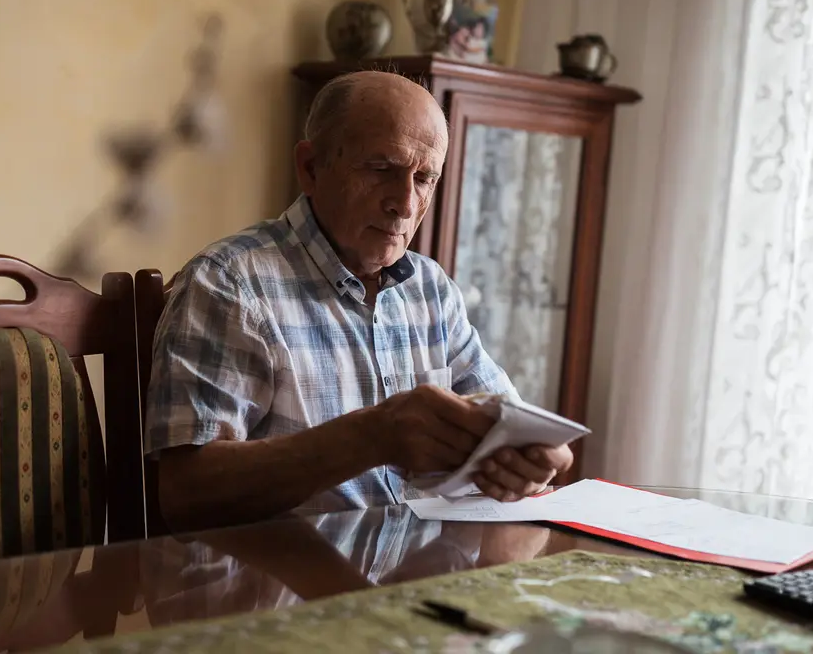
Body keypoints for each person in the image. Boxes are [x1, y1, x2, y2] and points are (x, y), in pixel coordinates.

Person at [146, 71, 573, 532]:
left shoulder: (430, 288)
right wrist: (369, 438)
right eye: (382, 169)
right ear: (310, 168)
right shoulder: (230, 283)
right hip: (275, 590)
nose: (406, 204)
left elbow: (510, 423)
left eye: (425, 178)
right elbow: (185, 494)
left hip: (412, 580)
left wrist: (536, 455)